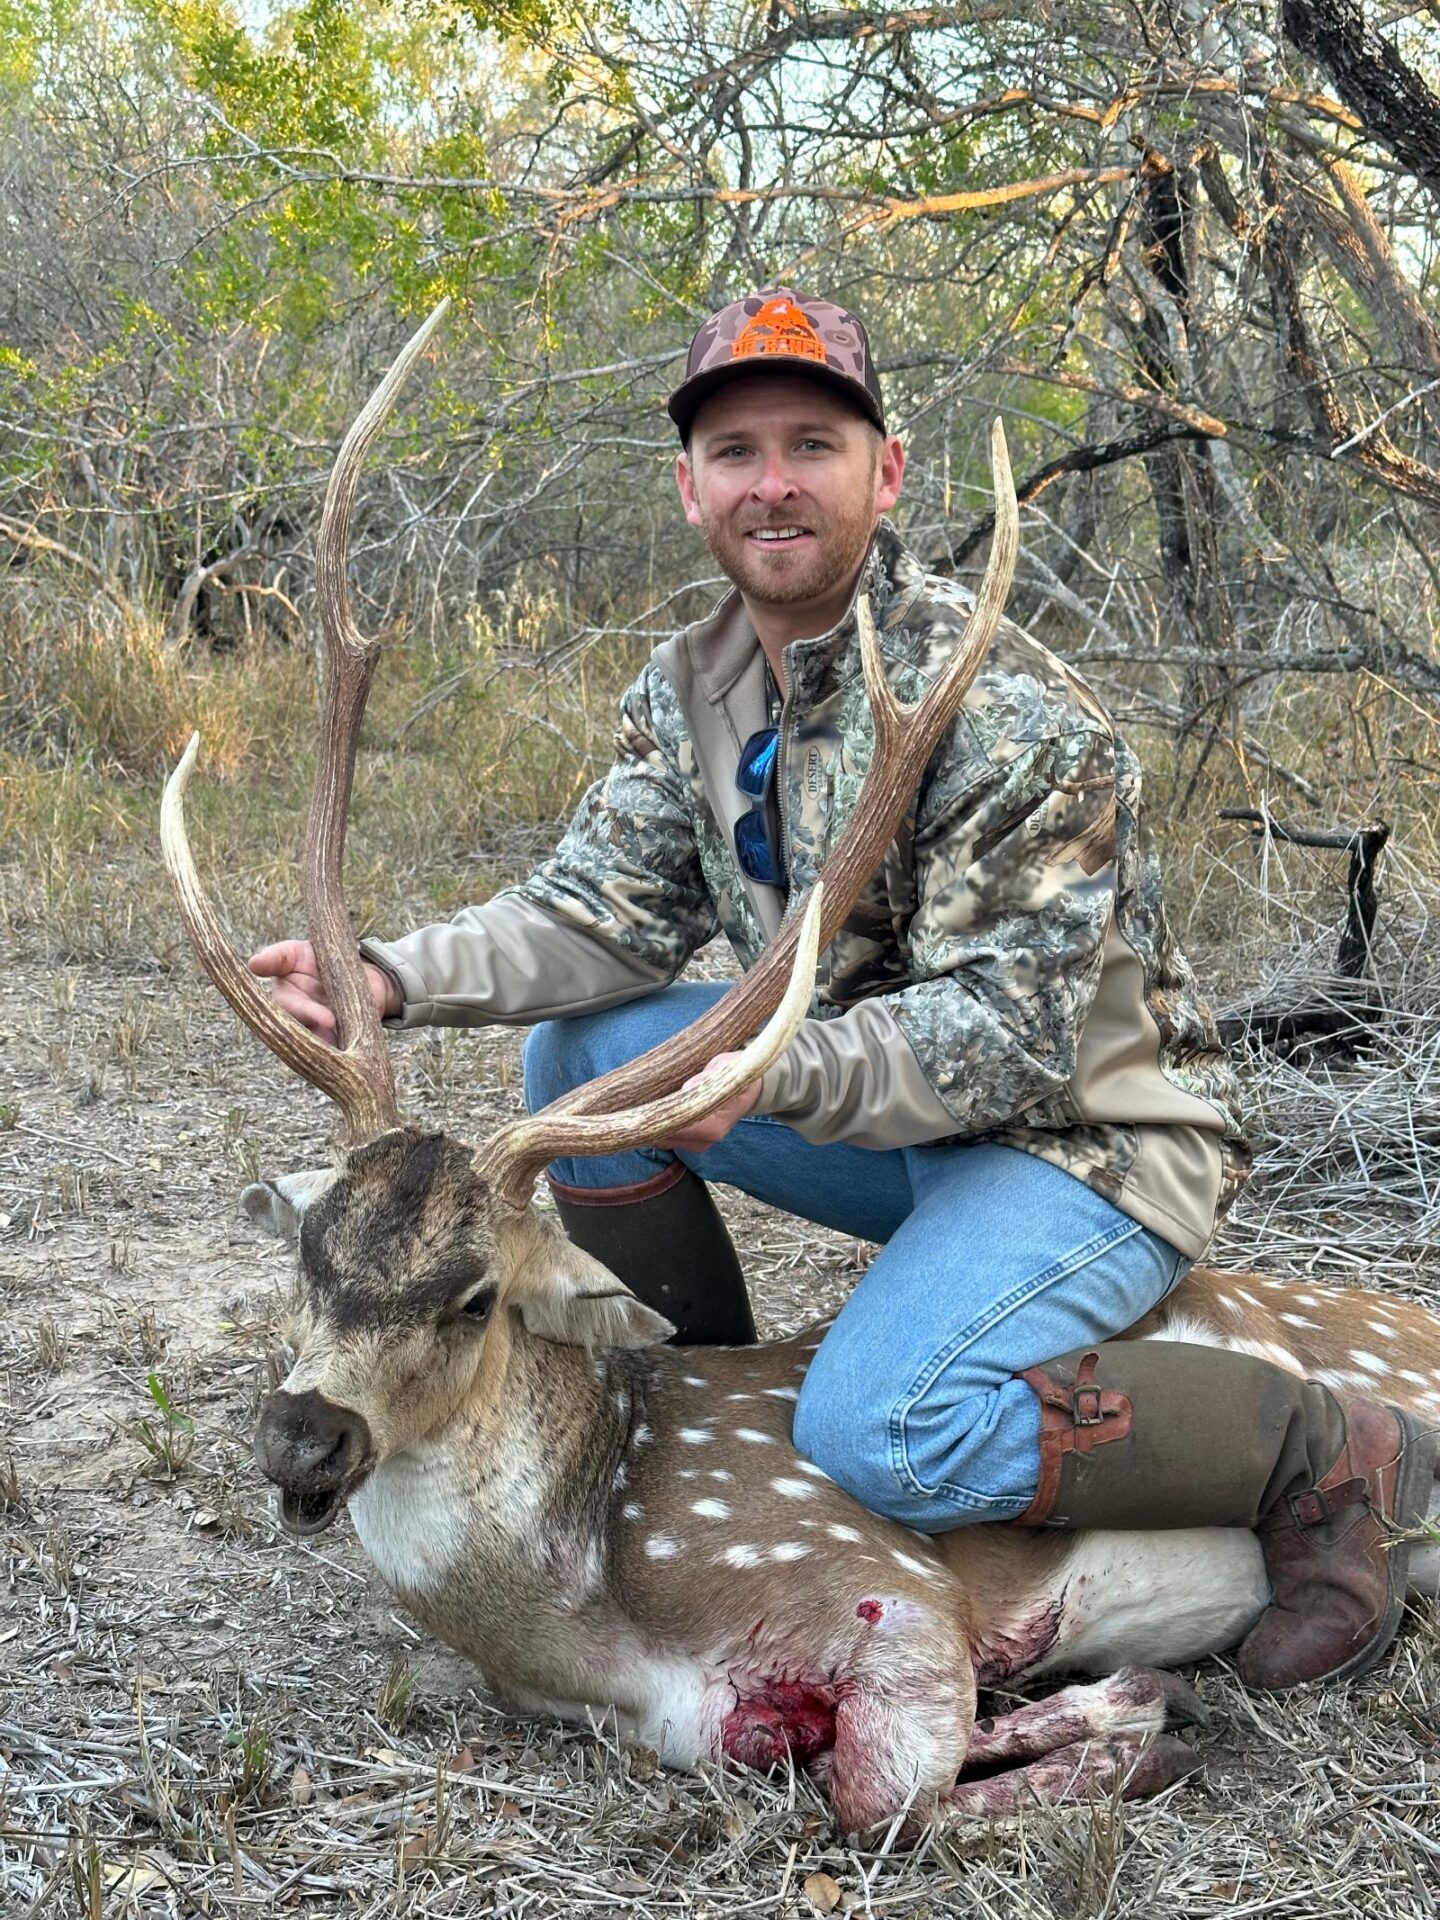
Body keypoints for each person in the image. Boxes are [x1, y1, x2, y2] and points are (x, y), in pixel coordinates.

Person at [250, 288, 1433, 1691]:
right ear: (690, 487)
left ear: (888, 471)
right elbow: (596, 916)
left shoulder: (1008, 708)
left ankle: (1326, 1453)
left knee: (886, 1431)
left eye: (812, 443)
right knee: (583, 1067)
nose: (773, 483)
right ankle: (677, 1418)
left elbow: (1014, 1030)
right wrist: (388, 975)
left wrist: (773, 1075)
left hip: (1092, 1149)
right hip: (897, 1130)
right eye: (736, 451)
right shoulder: (693, 689)